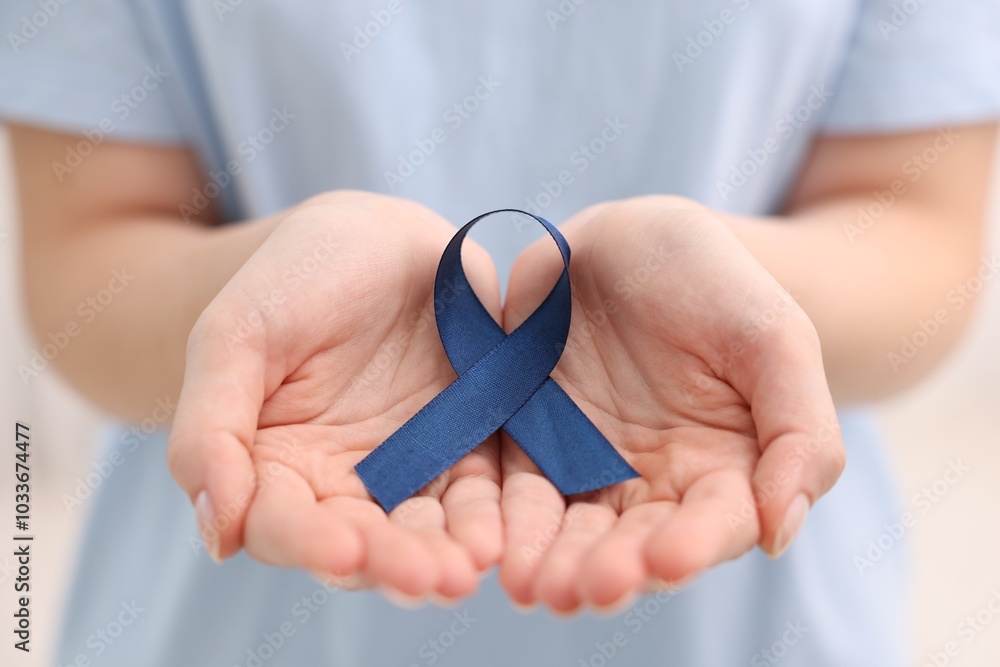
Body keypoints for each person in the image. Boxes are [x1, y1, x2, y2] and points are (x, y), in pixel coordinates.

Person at [3, 1, 998, 665]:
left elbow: (918, 230)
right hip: (235, 608)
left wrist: (740, 309)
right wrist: (252, 299)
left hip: (745, 611)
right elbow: (85, 255)